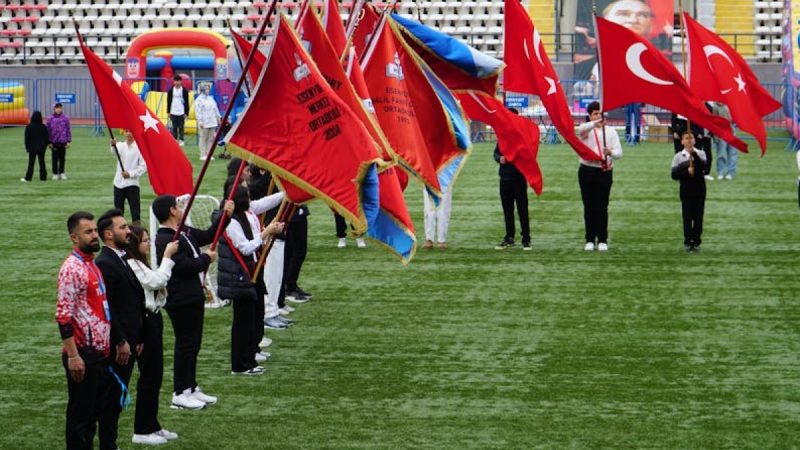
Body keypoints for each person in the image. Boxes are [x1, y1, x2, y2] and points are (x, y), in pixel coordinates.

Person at [152, 194, 232, 410]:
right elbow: (184, 266)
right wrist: (207, 259)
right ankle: (180, 392)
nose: (180, 208)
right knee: (185, 344)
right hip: (180, 299)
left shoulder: (184, 231)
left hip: (194, 295)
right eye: (177, 206)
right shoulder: (164, 239)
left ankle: (191, 386)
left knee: (194, 343)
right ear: (171, 210)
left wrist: (225, 215)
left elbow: (208, 234)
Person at [56, 211, 113, 449]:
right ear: (74, 238)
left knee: (92, 416)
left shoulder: (90, 264)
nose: (94, 236)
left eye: (94, 231)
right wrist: (73, 356)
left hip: (99, 352)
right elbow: (63, 316)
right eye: (87, 232)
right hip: (83, 353)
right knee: (81, 417)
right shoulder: (71, 269)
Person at [218, 184, 284, 375]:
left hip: (248, 272)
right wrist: (266, 232)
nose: (250, 199)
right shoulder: (231, 222)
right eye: (246, 196)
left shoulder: (243, 214)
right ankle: (240, 365)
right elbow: (245, 247)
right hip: (239, 276)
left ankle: (249, 359)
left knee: (249, 319)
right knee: (242, 323)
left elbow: (264, 203)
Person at [125, 225, 180, 445]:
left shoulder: (140, 262)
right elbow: (154, 281)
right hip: (145, 323)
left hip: (154, 318)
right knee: (148, 377)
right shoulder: (132, 263)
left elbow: (157, 290)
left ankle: (152, 424)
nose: (148, 243)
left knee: (155, 376)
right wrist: (167, 256)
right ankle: (142, 430)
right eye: (144, 240)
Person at [94, 209, 138, 450]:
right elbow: (108, 308)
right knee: (111, 398)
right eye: (123, 227)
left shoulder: (120, 257)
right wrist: (121, 340)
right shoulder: (105, 263)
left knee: (116, 398)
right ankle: (107, 444)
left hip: (130, 339)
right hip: (118, 344)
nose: (129, 231)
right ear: (108, 234)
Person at [576, 101, 623, 251]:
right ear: (589, 115)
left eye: (600, 113)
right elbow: (580, 130)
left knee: (602, 206)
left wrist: (611, 153)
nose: (598, 116)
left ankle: (602, 239)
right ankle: (589, 239)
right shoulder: (587, 130)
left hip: (604, 171)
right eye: (595, 113)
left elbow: (619, 153)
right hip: (587, 170)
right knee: (588, 206)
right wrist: (594, 123)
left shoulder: (610, 131)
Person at [494, 112, 531, 251]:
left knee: (522, 209)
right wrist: (499, 159)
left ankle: (526, 238)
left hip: (519, 177)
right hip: (504, 178)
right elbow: (496, 153)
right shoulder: (502, 137)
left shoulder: (522, 136)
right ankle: (509, 237)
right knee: (507, 210)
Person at [671, 131, 708, 252]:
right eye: (686, 138)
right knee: (687, 217)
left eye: (691, 138)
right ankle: (688, 241)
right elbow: (674, 175)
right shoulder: (678, 157)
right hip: (686, 191)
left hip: (699, 191)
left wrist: (694, 155)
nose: (689, 140)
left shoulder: (701, 153)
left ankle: (696, 241)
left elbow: (704, 167)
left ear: (695, 140)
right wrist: (686, 171)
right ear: (681, 141)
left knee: (698, 217)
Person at [110, 130, 147, 224]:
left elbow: (143, 166)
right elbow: (115, 153)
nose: (129, 133)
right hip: (118, 183)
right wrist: (113, 145)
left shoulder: (139, 148)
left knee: (135, 213)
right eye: (127, 131)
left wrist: (130, 174)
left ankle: (137, 232)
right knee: (118, 212)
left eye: (131, 131)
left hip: (132, 184)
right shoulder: (121, 145)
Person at [710, 103, 737, 180]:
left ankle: (730, 173)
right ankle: (720, 172)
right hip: (721, 133)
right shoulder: (715, 106)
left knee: (732, 153)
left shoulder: (731, 104)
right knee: (721, 153)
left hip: (732, 132)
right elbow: (714, 120)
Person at [194, 83, 221, 161]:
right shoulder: (199, 100)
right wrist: (200, 121)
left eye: (208, 89)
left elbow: (215, 108)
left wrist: (218, 117)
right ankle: (203, 154)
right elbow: (198, 111)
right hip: (204, 122)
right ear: (202, 90)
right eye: (206, 89)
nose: (208, 91)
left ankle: (209, 154)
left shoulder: (210, 98)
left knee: (211, 139)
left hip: (212, 121)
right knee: (203, 138)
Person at [22, 110, 49, 182]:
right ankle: (43, 177)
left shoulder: (29, 127)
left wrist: (27, 147)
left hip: (32, 148)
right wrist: (45, 146)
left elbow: (27, 138)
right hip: (41, 147)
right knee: (42, 162)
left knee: (31, 163)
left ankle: (28, 177)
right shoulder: (43, 127)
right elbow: (47, 138)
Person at [48, 102, 72, 180]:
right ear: (54, 109)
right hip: (54, 141)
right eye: (57, 108)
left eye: (60, 108)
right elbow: (48, 130)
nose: (58, 109)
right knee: (54, 158)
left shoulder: (65, 118)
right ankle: (55, 173)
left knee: (62, 158)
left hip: (63, 141)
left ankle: (62, 173)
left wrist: (68, 141)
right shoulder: (50, 119)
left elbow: (68, 130)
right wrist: (49, 142)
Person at [166, 75, 189, 146]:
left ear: (181, 82)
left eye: (178, 81)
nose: (177, 83)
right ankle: (175, 139)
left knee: (181, 126)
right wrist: (168, 111)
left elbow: (187, 102)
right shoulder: (171, 90)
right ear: (174, 82)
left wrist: (186, 112)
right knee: (174, 126)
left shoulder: (184, 90)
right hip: (173, 111)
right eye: (175, 81)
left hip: (181, 111)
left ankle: (181, 140)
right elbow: (168, 101)